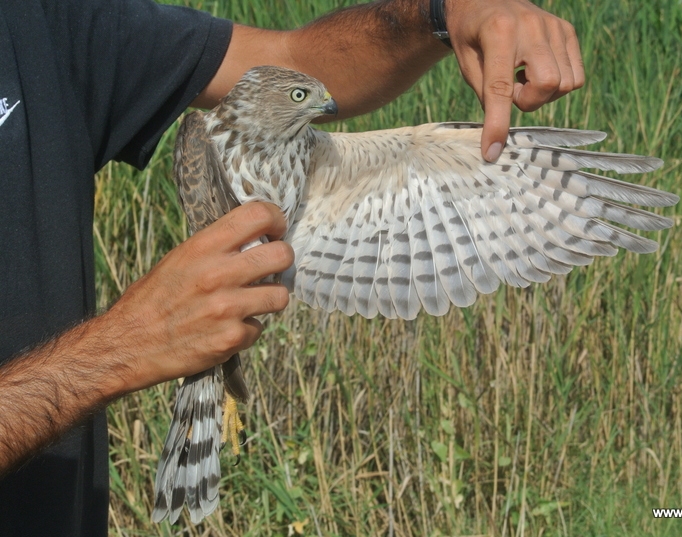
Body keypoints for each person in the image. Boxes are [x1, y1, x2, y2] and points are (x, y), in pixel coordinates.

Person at [0, 0, 584, 534]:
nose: (320, 104)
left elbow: (289, 60)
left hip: (66, 507)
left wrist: (443, 11)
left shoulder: (48, 21)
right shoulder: (202, 137)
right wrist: (121, 348)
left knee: (439, 143)